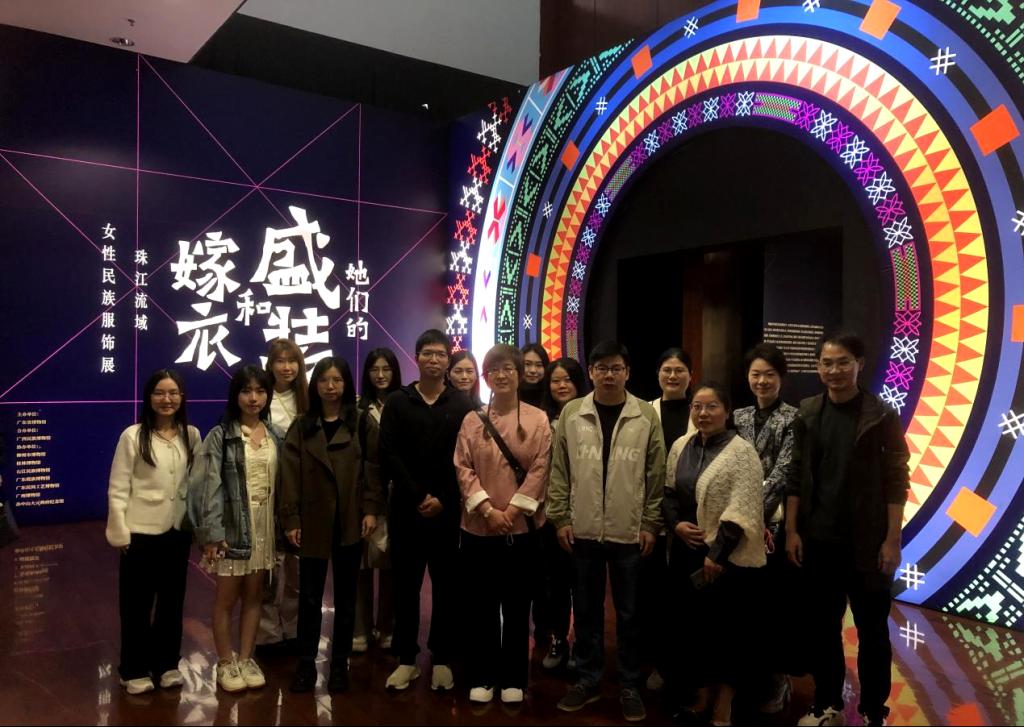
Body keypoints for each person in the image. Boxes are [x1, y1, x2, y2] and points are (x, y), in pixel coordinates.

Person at [787, 332, 909, 727]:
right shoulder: (808, 412)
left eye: (843, 362)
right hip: (819, 541)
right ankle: (828, 704)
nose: (834, 370)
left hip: (867, 544)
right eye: (827, 362)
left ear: (859, 364)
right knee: (823, 629)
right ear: (818, 366)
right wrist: (792, 531)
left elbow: (896, 480)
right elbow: (795, 476)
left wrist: (892, 540)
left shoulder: (881, 416)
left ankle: (874, 710)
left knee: (873, 632)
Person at [547, 340, 665, 723]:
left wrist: (650, 523)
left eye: (616, 368)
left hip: (629, 531)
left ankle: (629, 683)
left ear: (627, 372)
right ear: (592, 371)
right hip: (582, 530)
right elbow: (559, 469)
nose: (608, 375)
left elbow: (656, 473)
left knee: (630, 614)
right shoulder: (572, 412)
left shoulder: (645, 414)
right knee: (586, 611)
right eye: (601, 368)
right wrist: (560, 518)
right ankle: (588, 679)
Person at [662, 382, 767, 727]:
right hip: (687, 550)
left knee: (728, 633)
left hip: (726, 559)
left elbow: (742, 509)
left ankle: (725, 703)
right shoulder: (681, 445)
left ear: (727, 411)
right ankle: (702, 692)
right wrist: (676, 524)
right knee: (697, 631)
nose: (703, 413)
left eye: (711, 407)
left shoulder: (742, 452)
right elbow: (668, 492)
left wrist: (717, 555)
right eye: (697, 406)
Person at [454, 344, 552, 704]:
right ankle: (482, 675)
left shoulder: (538, 419)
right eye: (494, 369)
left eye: (508, 368)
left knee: (516, 605)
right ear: (486, 377)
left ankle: (513, 677)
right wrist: (487, 510)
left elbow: (540, 469)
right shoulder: (472, 420)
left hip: (521, 530)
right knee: (481, 605)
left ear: (519, 374)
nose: (502, 375)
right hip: (478, 528)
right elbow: (463, 467)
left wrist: (511, 512)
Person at [279, 357, 383, 693]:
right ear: (315, 385)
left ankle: (339, 664)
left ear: (346, 384)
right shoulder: (302, 425)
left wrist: (370, 509)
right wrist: (291, 518)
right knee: (309, 598)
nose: (330, 386)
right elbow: (289, 475)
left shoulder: (361, 422)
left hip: (350, 519)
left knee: (347, 597)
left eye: (337, 379)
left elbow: (373, 469)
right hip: (312, 522)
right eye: (324, 380)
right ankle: (306, 664)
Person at [380, 330, 475, 691]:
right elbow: (389, 454)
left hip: (448, 513)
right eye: (427, 353)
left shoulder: (462, 404)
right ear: (416, 357)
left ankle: (442, 658)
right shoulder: (397, 402)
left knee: (446, 586)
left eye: (440, 354)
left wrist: (444, 498)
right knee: (406, 587)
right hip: (407, 510)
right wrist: (419, 495)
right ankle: (406, 659)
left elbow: (467, 460)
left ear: (448, 360)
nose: (434, 360)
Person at [188, 365, 284, 692]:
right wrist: (211, 533)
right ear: (235, 396)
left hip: (264, 525)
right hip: (231, 528)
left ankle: (246, 658)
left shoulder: (275, 435)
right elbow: (207, 487)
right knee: (226, 598)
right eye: (246, 391)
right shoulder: (221, 435)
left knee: (255, 596)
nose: (254, 398)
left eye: (260, 391)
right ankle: (225, 661)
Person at [106, 369, 200, 695]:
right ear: (149, 397)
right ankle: (133, 669)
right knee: (136, 604)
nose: (167, 399)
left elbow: (196, 485)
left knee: (172, 602)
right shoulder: (133, 436)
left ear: (182, 397)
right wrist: (119, 530)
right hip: (140, 532)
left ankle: (167, 664)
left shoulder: (191, 435)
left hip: (177, 531)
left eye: (173, 393)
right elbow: (118, 487)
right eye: (159, 393)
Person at [732, 342, 798, 713]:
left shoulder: (793, 418)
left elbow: (783, 473)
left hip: (772, 525)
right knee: (744, 605)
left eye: (769, 375)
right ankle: (743, 678)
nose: (761, 381)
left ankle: (776, 679)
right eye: (755, 374)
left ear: (781, 377)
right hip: (737, 524)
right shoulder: (738, 416)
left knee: (774, 605)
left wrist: (747, 511)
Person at [641, 346, 695, 692]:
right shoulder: (645, 411)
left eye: (679, 370)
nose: (673, 376)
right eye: (667, 370)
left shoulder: (700, 411)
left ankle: (686, 664)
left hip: (691, 520)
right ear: (658, 374)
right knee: (654, 595)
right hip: (652, 517)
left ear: (690, 375)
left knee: (685, 596)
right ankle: (658, 663)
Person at [256, 338, 308, 655]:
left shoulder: (308, 399)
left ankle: (293, 629)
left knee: (298, 568)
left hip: (302, 493)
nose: (286, 367)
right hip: (267, 491)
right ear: (270, 365)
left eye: (292, 361)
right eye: (280, 360)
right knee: (269, 568)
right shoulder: (260, 397)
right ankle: (266, 634)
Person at [535, 357, 588, 671]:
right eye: (556, 380)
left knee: (583, 583)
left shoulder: (591, 416)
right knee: (554, 583)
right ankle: (558, 639)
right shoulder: (540, 419)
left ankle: (582, 641)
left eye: (568, 379)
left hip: (586, 512)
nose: (562, 385)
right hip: (549, 515)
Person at [353, 347, 403, 653]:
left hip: (399, 496)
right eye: (375, 369)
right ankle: (360, 629)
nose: (381, 375)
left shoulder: (404, 404)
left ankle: (387, 627)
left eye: (386, 369)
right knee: (362, 564)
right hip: (364, 496)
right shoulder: (359, 410)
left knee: (391, 566)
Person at [518, 343, 550, 408]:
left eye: (539, 365)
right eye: (527, 364)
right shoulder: (510, 393)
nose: (533, 370)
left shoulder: (552, 394)